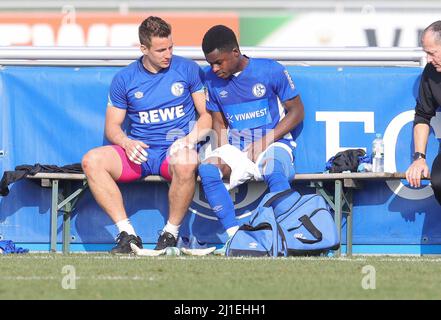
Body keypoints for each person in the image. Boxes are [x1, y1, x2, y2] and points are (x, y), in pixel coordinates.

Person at [81, 16, 211, 254]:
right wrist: (126, 142)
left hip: (172, 153)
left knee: (187, 160)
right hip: (140, 154)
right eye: (161, 50)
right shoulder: (125, 79)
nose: (168, 54)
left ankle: (170, 234)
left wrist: (188, 140)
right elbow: (112, 127)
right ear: (144, 49)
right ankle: (128, 235)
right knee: (92, 160)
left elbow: (206, 116)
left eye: (171, 47)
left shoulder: (188, 69)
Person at [199, 25, 305, 255]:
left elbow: (297, 112)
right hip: (238, 150)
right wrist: (222, 152)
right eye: (210, 64)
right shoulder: (210, 79)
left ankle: (288, 238)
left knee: (275, 170)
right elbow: (219, 122)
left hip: (274, 144)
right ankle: (234, 238)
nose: (214, 68)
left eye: (219, 62)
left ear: (235, 53)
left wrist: (266, 140)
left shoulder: (271, 70)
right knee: (207, 170)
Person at [405, 20, 441, 205]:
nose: (427, 59)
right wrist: (419, 158)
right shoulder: (431, 72)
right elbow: (422, 116)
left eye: (431, 53)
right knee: (439, 181)